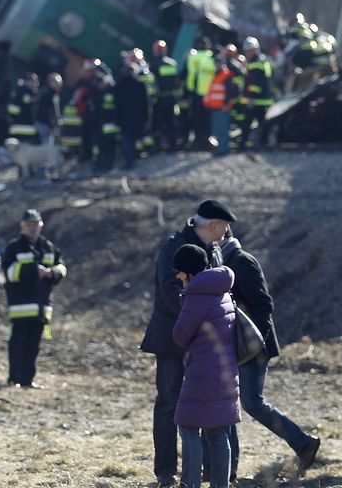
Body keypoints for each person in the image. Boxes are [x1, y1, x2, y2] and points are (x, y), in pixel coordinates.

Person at [142, 200, 235, 487]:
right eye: (224, 227)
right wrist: (195, 320)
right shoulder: (174, 247)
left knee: (206, 406)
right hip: (173, 339)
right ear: (213, 225)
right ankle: (166, 470)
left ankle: (205, 472)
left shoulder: (215, 249)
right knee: (169, 402)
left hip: (202, 344)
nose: (226, 232)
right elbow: (170, 291)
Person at [220, 231, 321, 470]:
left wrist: (258, 343)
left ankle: (304, 443)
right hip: (235, 347)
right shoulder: (219, 262)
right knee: (230, 404)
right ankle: (226, 467)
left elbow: (264, 304)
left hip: (252, 346)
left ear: (222, 232)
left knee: (251, 402)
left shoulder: (241, 261)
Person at [171, 244, 241, 488]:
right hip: (225, 370)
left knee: (188, 426)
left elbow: (180, 335)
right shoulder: (221, 290)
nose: (177, 277)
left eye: (179, 272)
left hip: (202, 372)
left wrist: (184, 297)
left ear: (188, 271)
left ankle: (190, 483)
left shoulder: (197, 296)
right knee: (218, 432)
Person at [1, 209, 66, 389]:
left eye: (35, 224)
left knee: (33, 346)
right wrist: (32, 270)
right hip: (20, 307)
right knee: (18, 344)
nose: (32, 228)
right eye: (29, 225)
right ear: (22, 226)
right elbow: (8, 272)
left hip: (42, 307)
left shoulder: (48, 247)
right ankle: (14, 379)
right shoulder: (14, 247)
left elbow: (62, 268)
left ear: (41, 226)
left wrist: (51, 272)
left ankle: (28, 380)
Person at [115, 50, 150, 170]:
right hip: (138, 118)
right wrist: (146, 118)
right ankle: (135, 158)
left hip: (124, 118)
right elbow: (145, 104)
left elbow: (117, 104)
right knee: (136, 140)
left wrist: (117, 118)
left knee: (126, 140)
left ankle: (129, 161)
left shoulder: (120, 85)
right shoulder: (140, 85)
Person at [240, 37, 275, 149]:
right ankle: (264, 143)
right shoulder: (264, 60)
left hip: (255, 100)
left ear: (253, 50)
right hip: (264, 99)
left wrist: (251, 98)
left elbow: (254, 83)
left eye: (247, 51)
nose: (246, 53)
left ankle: (243, 144)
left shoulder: (255, 63)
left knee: (247, 123)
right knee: (263, 124)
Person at [186, 38, 216, 148]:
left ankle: (197, 139)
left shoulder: (192, 57)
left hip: (196, 93)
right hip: (210, 93)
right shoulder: (212, 57)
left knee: (197, 118)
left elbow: (187, 73)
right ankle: (208, 138)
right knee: (208, 118)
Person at [151, 40, 180, 150]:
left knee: (158, 121)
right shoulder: (172, 63)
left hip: (159, 98)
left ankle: (158, 145)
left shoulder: (154, 65)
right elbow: (176, 81)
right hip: (171, 97)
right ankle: (173, 144)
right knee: (171, 121)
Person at [7, 73, 41, 144]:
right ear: (26, 81)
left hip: (26, 128)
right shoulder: (22, 92)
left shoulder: (26, 92)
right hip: (23, 128)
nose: (35, 83)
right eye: (32, 81)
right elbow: (13, 109)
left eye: (36, 81)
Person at [35, 73, 62, 145]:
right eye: (56, 82)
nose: (59, 84)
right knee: (45, 145)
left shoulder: (53, 94)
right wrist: (51, 124)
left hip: (48, 125)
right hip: (44, 125)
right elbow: (46, 111)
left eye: (60, 82)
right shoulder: (47, 94)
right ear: (50, 82)